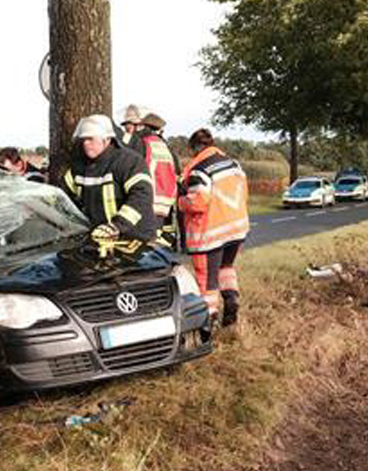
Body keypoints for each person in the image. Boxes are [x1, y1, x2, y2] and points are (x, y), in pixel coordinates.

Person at [179, 128, 250, 325]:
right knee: (226, 268)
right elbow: (244, 193)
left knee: (206, 281)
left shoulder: (199, 170)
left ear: (194, 148)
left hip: (210, 235)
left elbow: (198, 202)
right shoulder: (234, 165)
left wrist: (180, 202)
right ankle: (231, 299)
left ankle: (208, 323)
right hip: (237, 229)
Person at [63, 114, 156, 256]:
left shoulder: (129, 162)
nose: (85, 144)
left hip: (134, 240)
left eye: (90, 139)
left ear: (107, 139)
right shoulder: (79, 167)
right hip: (100, 241)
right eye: (83, 140)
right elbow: (62, 197)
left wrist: (117, 226)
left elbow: (142, 195)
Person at [122, 110, 181, 247]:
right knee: (159, 238)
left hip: (148, 197)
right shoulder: (165, 146)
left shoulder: (142, 143)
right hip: (166, 200)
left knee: (144, 242)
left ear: (143, 126)